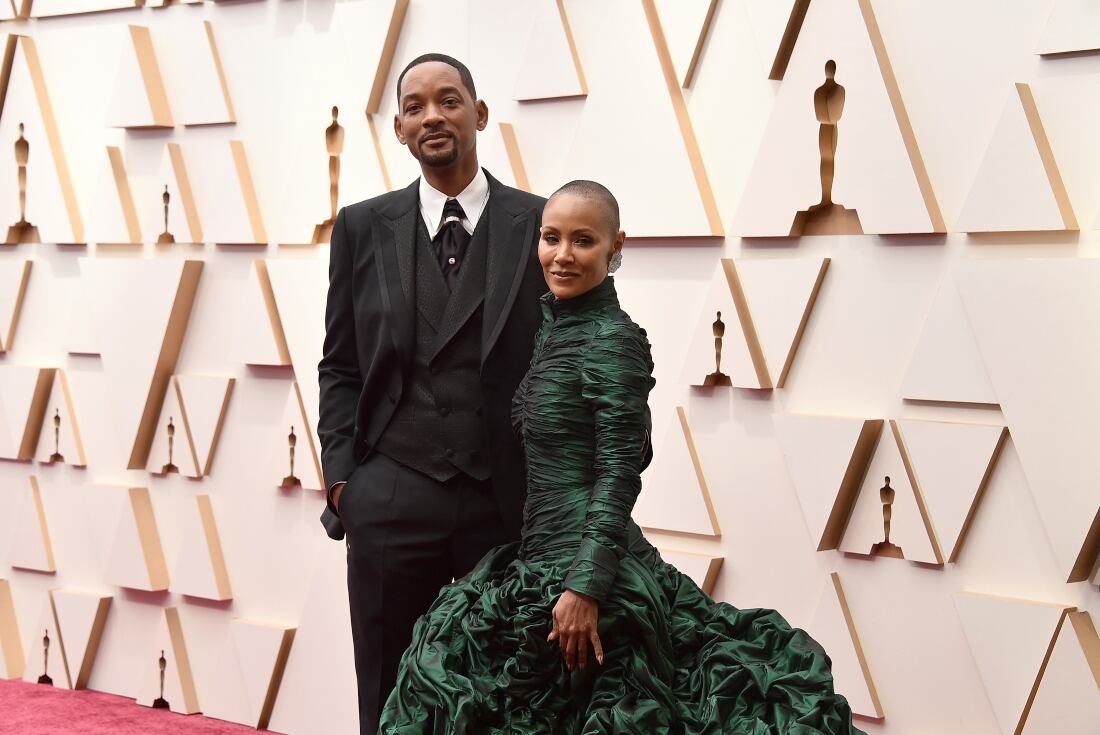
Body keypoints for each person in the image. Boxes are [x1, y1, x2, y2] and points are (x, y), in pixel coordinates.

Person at [379, 181, 864, 734]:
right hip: (538, 561)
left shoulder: (612, 339)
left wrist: (585, 586)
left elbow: (617, 474)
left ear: (615, 248)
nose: (561, 256)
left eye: (582, 241)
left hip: (585, 578)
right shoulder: (557, 331)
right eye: (550, 238)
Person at [316, 53, 546, 735]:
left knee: (503, 695)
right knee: (388, 694)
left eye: (448, 101)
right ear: (397, 128)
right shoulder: (361, 225)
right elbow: (339, 362)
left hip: (500, 499)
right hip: (391, 495)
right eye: (414, 106)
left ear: (478, 115)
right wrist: (342, 481)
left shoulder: (539, 224)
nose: (431, 116)